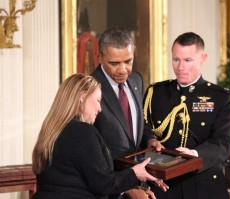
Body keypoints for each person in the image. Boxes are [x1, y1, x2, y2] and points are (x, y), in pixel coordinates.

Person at [32, 74, 166, 199]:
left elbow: (84, 179)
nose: (99, 108)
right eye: (97, 100)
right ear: (82, 97)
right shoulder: (83, 132)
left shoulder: (50, 129)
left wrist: (131, 186)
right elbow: (104, 184)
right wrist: (134, 173)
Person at [143, 32, 230, 199]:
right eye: (176, 59)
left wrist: (193, 155)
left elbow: (224, 142)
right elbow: (143, 127)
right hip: (164, 187)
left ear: (202, 59)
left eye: (187, 60)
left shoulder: (222, 97)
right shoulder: (156, 93)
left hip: (204, 186)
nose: (180, 67)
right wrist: (151, 140)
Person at [91, 27, 163, 160]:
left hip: (139, 172)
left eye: (128, 61)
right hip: (110, 174)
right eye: (114, 63)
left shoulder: (137, 80)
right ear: (99, 57)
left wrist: (150, 139)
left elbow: (138, 122)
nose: (123, 70)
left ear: (134, 52)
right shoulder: (88, 88)